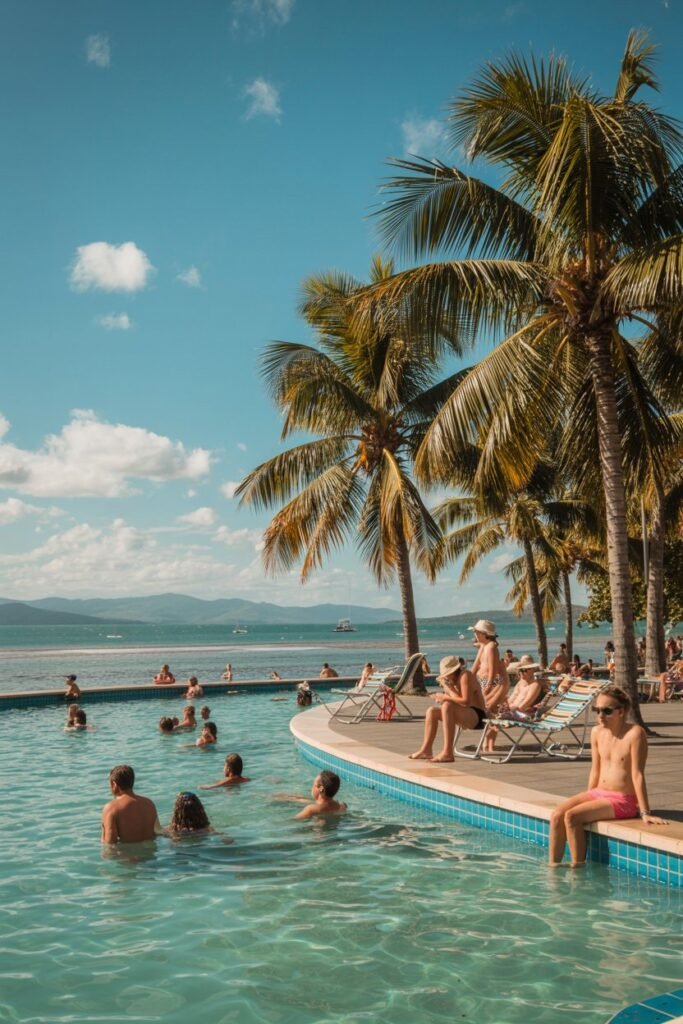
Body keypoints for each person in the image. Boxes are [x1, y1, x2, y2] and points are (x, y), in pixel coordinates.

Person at [549, 686, 666, 867]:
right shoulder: (597, 732)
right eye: (597, 710)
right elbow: (595, 769)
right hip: (598, 793)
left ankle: (577, 869)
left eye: (607, 711)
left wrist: (645, 813)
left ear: (621, 711)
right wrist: (588, 800)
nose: (600, 716)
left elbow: (637, 774)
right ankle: (553, 868)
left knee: (572, 816)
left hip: (623, 800)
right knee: (557, 815)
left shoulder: (635, 734)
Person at [408, 655, 487, 763]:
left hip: (478, 716)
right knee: (432, 711)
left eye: (448, 674)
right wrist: (447, 692)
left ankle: (448, 752)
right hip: (465, 714)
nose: (446, 677)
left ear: (454, 671)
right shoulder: (452, 681)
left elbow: (466, 701)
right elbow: (455, 700)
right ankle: (426, 750)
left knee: (447, 705)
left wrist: (445, 696)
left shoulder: (465, 675)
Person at [485, 656, 543, 753]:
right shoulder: (520, 683)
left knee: (494, 716)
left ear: (532, 670)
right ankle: (489, 746)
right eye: (520, 670)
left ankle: (487, 745)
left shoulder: (535, 685)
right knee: (492, 710)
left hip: (522, 714)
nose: (521, 673)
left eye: (525, 670)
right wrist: (503, 705)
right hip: (512, 711)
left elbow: (524, 706)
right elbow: (511, 699)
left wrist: (508, 707)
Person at [101, 765, 162, 844]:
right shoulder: (149, 803)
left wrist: (103, 832)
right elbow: (157, 831)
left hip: (127, 855)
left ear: (114, 784)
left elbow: (109, 843)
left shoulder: (111, 808)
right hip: (151, 855)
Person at [469, 619, 509, 716]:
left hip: (490, 682)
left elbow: (492, 669)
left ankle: (503, 707)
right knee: (487, 708)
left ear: (483, 633)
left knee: (487, 708)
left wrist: (489, 685)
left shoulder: (491, 647)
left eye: (475, 632)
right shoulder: (485, 645)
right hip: (484, 681)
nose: (474, 635)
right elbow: (478, 664)